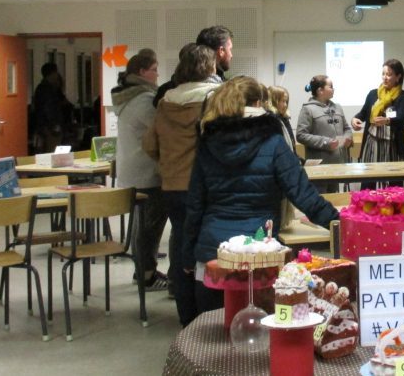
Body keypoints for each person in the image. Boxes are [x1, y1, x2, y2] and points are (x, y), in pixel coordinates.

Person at [184, 77, 338, 313]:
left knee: (214, 334)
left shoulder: (208, 142)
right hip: (259, 253)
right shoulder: (274, 143)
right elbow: (304, 195)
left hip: (212, 253)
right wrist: (339, 223)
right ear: (258, 103)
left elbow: (195, 204)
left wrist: (188, 253)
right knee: (259, 334)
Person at [143, 44, 221, 325]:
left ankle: (186, 316)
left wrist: (170, 163)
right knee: (209, 250)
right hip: (204, 186)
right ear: (209, 68)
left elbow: (149, 144)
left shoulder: (165, 101)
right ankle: (208, 314)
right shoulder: (213, 98)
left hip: (172, 186)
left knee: (181, 245)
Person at [113, 49, 169, 291]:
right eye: (154, 70)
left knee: (142, 225)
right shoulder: (144, 101)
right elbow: (162, 130)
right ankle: (146, 275)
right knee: (149, 228)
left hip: (133, 170)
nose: (157, 75)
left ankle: (144, 271)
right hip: (147, 172)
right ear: (142, 72)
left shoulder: (128, 97)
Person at [295, 75, 352, 191]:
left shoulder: (337, 107)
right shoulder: (308, 109)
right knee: (320, 200)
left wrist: (347, 138)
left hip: (337, 165)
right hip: (319, 167)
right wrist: (325, 142)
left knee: (335, 200)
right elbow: (301, 135)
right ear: (320, 90)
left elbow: (347, 128)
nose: (333, 89)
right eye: (330, 87)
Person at [351, 59, 404, 167]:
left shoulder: (403, 97)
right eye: (383, 74)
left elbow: (401, 117)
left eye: (389, 74)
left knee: (391, 180)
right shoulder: (373, 94)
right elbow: (363, 113)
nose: (385, 77)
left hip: (392, 146)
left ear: (398, 77)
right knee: (370, 180)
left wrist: (387, 120)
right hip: (372, 144)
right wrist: (354, 119)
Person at [155, 25, 233, 106]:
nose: (231, 55)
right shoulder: (221, 93)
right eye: (230, 49)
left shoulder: (166, 92)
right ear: (221, 51)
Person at [32, 63, 70, 154]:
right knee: (51, 151)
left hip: (44, 126)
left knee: (48, 150)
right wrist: (54, 125)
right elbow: (49, 108)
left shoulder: (42, 88)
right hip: (50, 128)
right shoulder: (47, 90)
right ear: (53, 74)